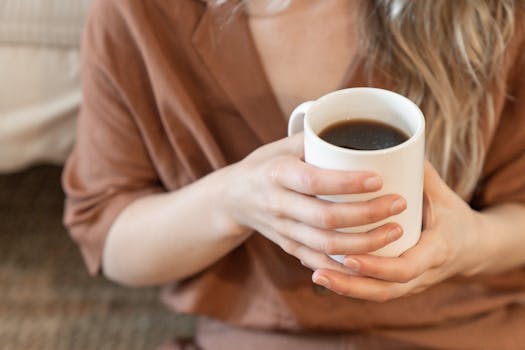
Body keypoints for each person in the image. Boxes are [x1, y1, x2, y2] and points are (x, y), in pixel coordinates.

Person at [63, 0, 525, 348]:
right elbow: (111, 237)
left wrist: (470, 243)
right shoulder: (140, 16)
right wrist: (232, 201)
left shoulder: (488, 14)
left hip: (464, 328)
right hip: (266, 335)